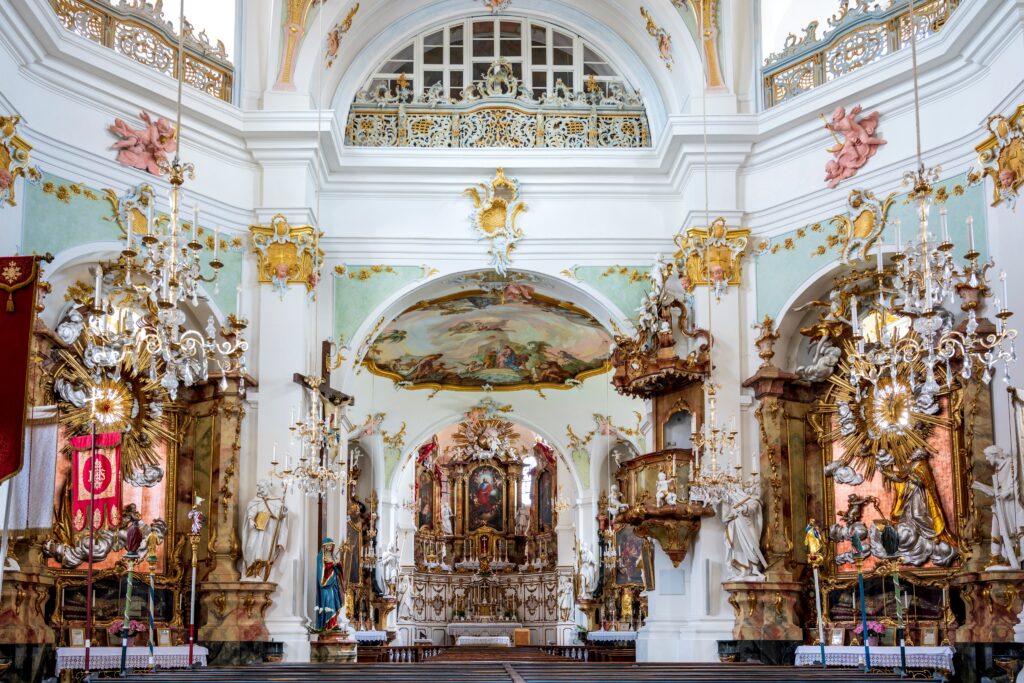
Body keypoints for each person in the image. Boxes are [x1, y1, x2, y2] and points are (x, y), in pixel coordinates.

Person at [241, 479, 289, 580]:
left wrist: (283, 512)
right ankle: (249, 570)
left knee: (264, 551)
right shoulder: (256, 501)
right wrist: (250, 520)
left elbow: (280, 516)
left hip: (269, 529)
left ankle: (258, 573)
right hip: (257, 528)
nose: (260, 490)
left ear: (267, 487)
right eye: (258, 488)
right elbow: (252, 512)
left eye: (262, 487)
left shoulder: (276, 501)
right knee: (250, 547)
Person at [316, 538, 344, 631]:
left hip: (334, 583)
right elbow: (322, 570)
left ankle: (334, 623)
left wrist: (338, 563)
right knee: (329, 601)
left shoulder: (333, 556)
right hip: (326, 585)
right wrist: (332, 564)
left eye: (331, 545)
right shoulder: (320, 557)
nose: (330, 547)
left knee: (335, 601)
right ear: (324, 546)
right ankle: (328, 625)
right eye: (328, 545)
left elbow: (339, 568)